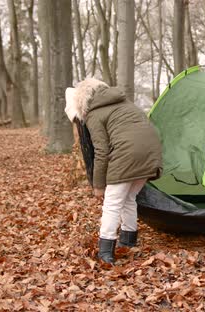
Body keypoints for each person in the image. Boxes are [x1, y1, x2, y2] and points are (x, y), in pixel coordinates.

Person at [65, 77, 162, 265]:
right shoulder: (125, 103)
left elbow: (101, 151)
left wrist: (98, 185)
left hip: (128, 154)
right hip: (152, 154)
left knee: (112, 203)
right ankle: (128, 241)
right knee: (129, 198)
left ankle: (105, 252)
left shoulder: (94, 114)